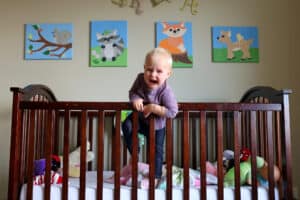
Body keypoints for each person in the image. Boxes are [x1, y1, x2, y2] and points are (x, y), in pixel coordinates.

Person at [122, 47, 178, 186]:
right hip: (140, 120)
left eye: (159, 71)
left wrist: (153, 107)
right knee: (126, 125)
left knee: (156, 150)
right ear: (144, 68)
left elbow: (173, 111)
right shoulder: (140, 79)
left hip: (157, 126)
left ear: (168, 74)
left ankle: (156, 175)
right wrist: (135, 99)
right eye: (149, 69)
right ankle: (135, 149)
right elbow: (133, 92)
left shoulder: (166, 91)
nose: (153, 74)